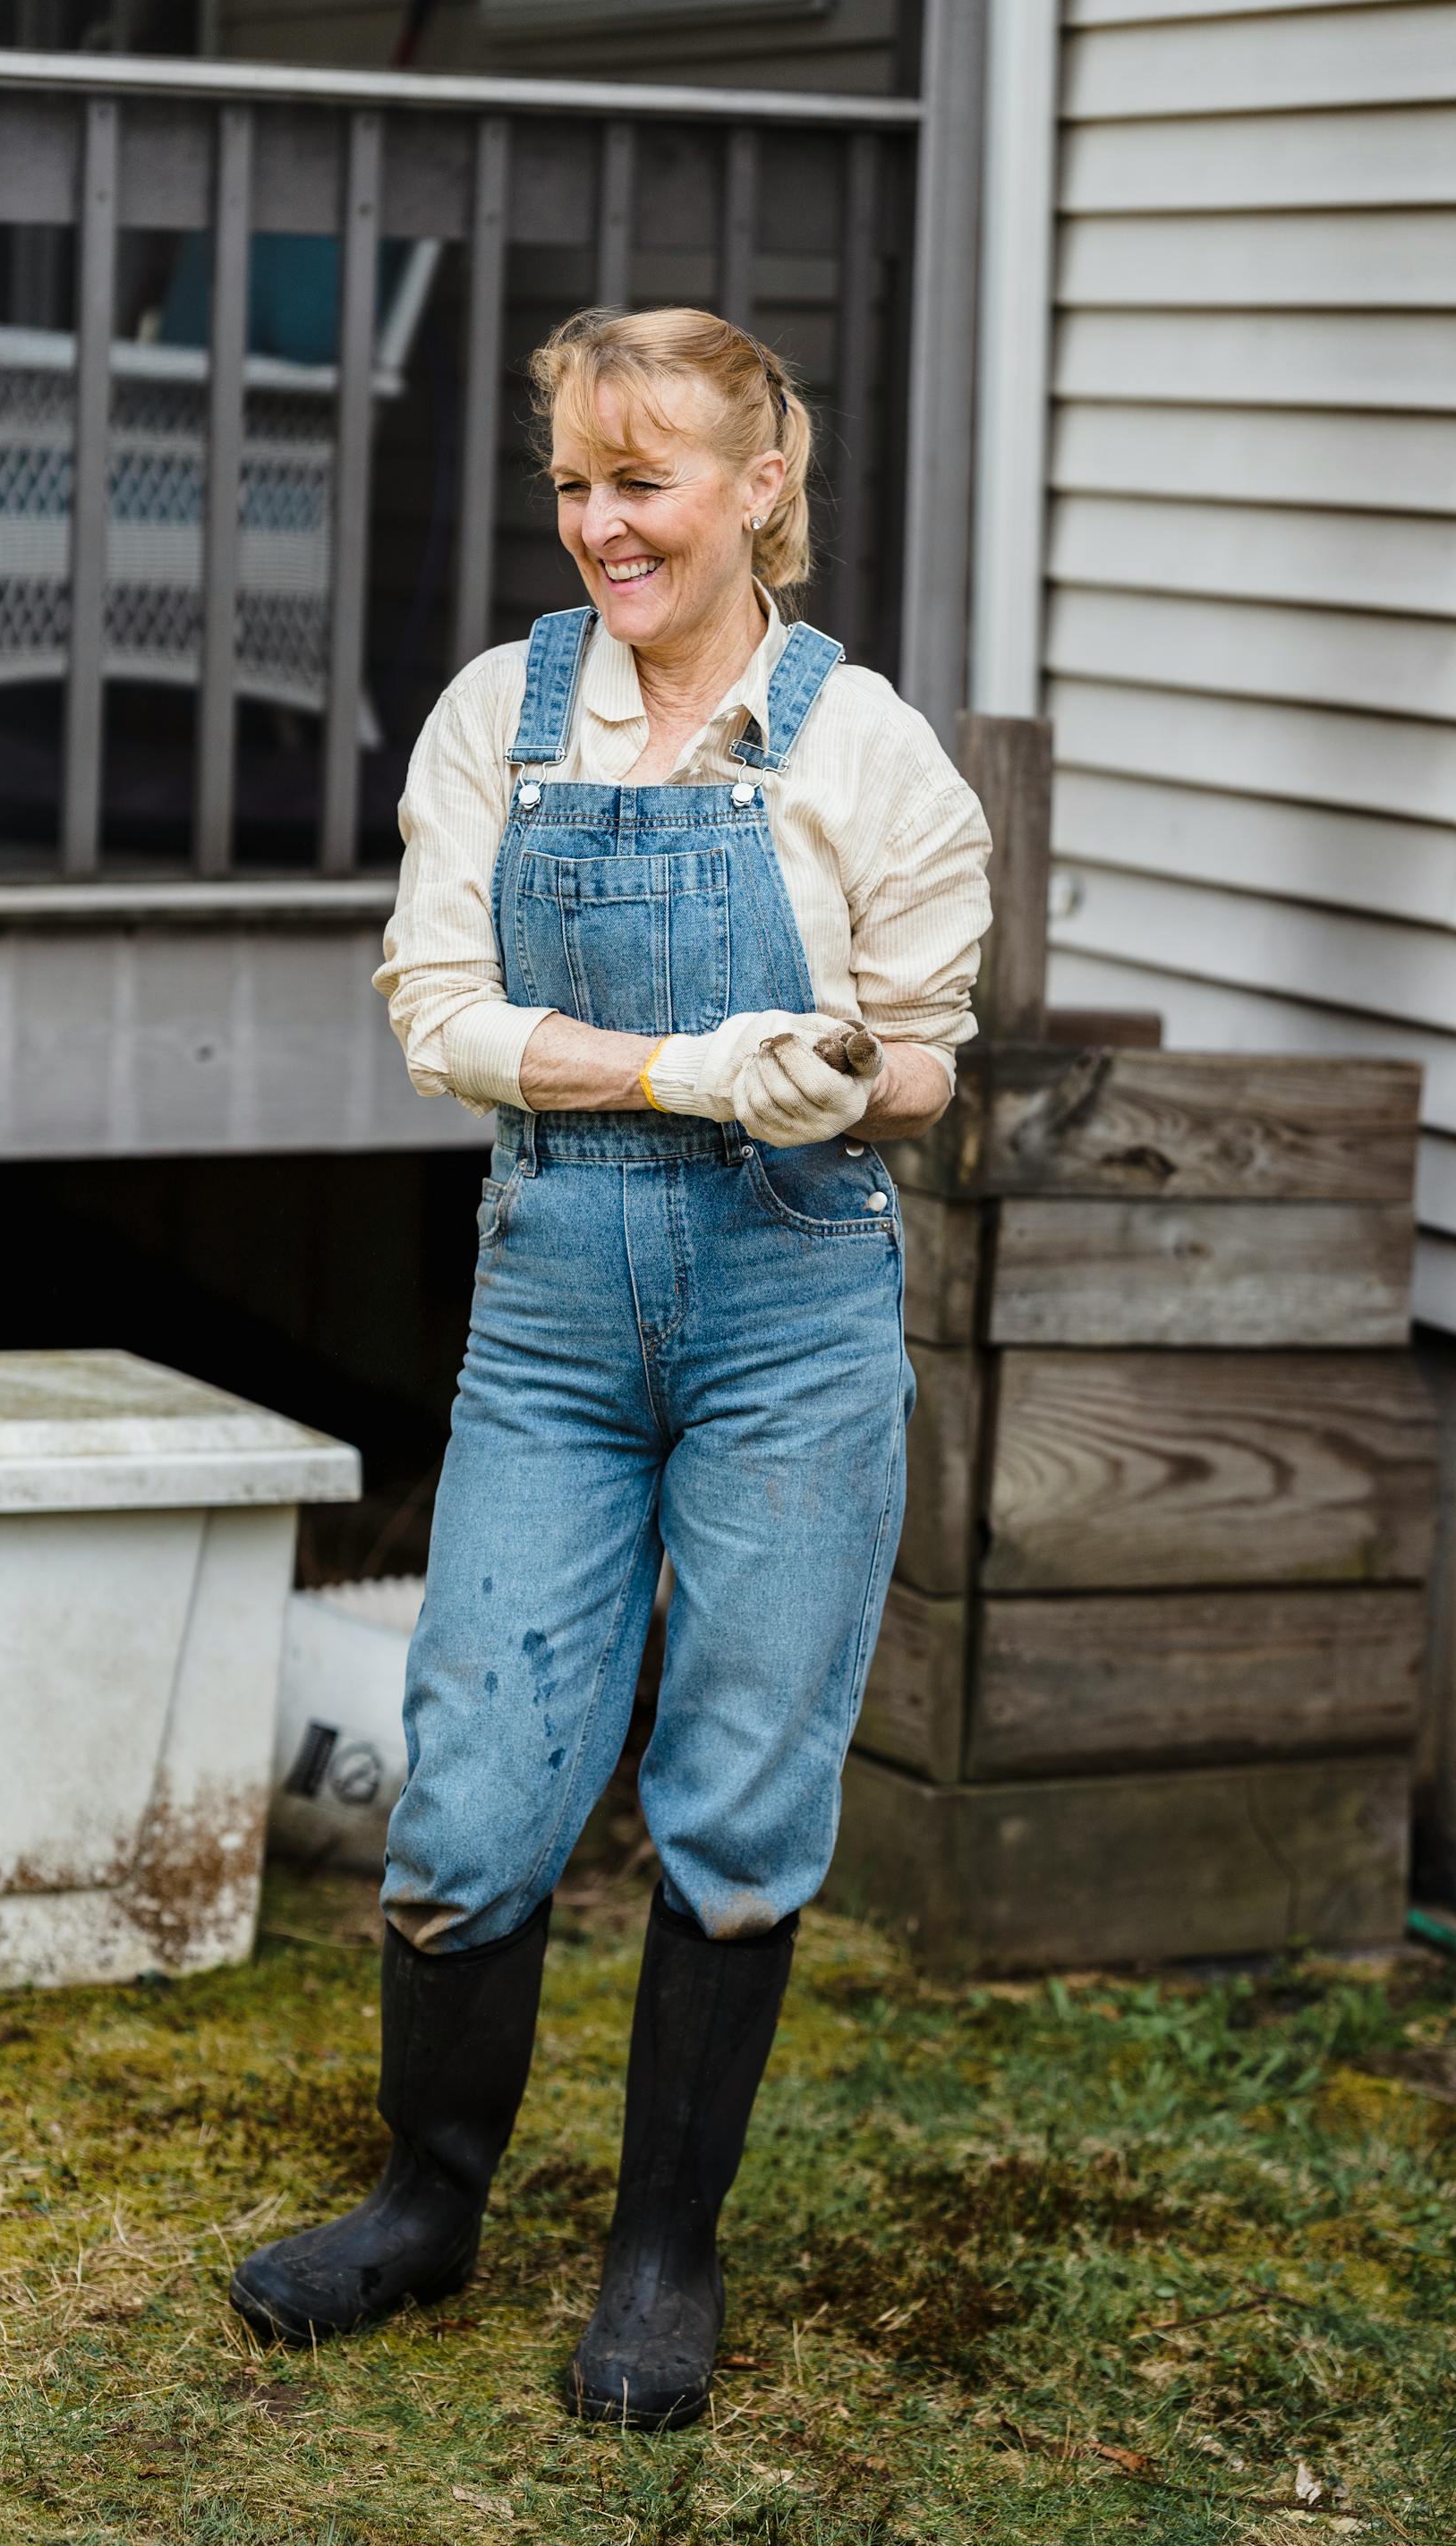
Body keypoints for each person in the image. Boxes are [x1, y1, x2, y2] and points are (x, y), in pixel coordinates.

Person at [228, 305, 992, 2429]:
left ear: (760, 489)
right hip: (557, 1291)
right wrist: (689, 1064)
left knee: (741, 1786)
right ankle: (425, 2204)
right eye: (572, 482)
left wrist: (848, 1075)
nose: (598, 527)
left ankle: (662, 2257)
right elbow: (440, 1010)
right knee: (476, 1783)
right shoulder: (506, 712)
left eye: (640, 483)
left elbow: (931, 1041)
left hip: (789, 1303)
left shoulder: (868, 752)